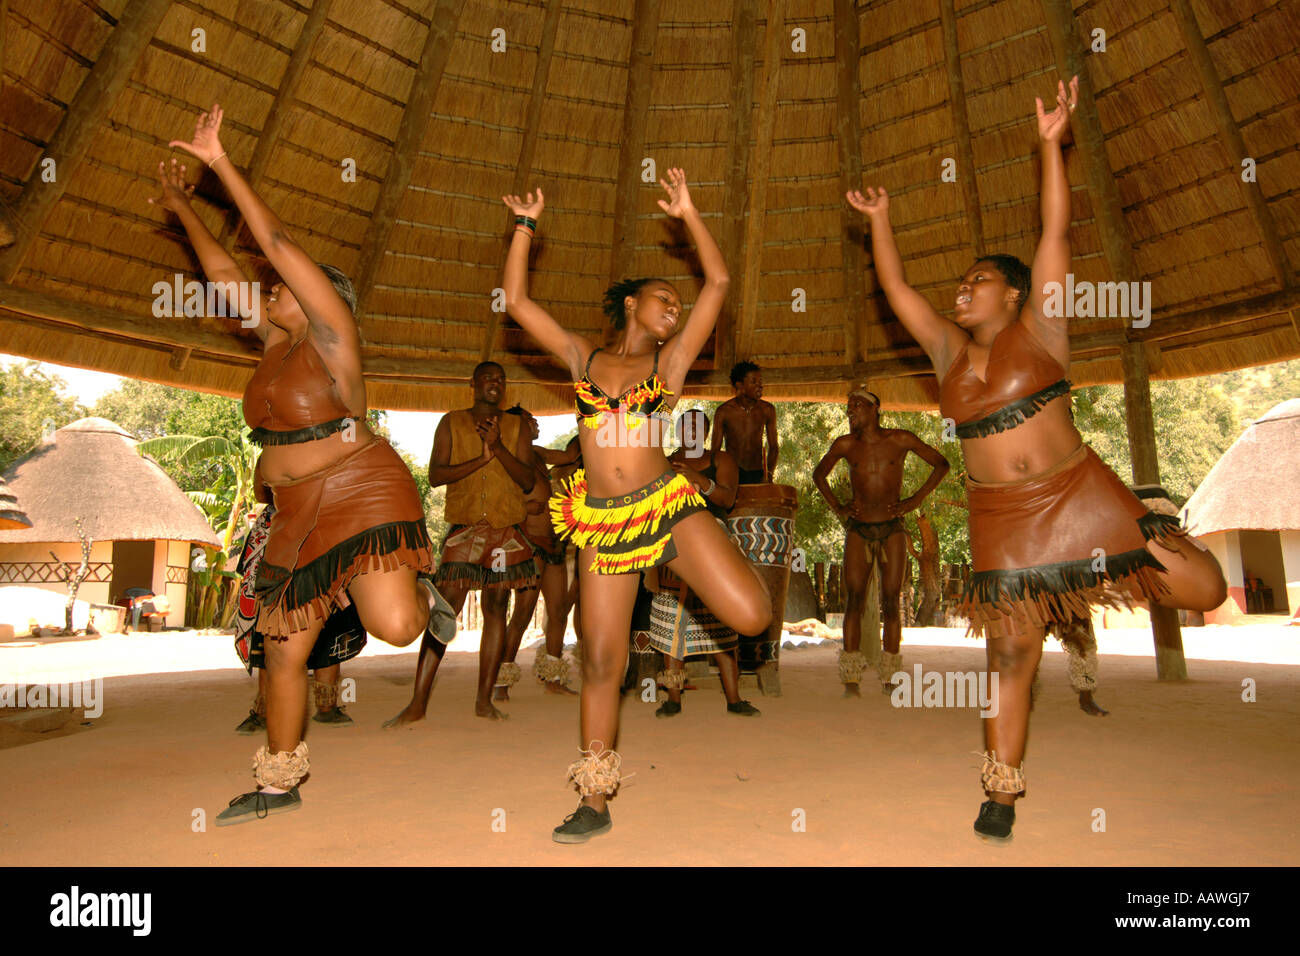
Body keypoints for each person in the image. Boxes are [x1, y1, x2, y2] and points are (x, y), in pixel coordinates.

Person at [848, 77, 1225, 845]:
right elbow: (895, 288)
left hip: (1080, 493)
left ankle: (1155, 529)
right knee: (1012, 652)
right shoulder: (947, 352)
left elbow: (1057, 229)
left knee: (1202, 584)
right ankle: (1000, 791)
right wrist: (882, 222)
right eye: (960, 282)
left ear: (1015, 296)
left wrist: (1053, 144)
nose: (962, 290)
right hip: (1003, 519)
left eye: (977, 281)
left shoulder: (1045, 329)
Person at [158, 104, 453, 826]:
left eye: (282, 286)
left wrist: (221, 164)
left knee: (396, 630)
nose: (269, 290)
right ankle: (277, 781)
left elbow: (275, 242)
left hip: (364, 494)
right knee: (282, 653)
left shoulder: (332, 339)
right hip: (293, 514)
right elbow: (225, 269)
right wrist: (181, 209)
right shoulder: (272, 345)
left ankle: (422, 598)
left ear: (322, 298)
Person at [502, 169, 771, 843]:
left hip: (668, 505)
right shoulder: (581, 358)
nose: (674, 307)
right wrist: (524, 227)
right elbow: (515, 300)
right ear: (630, 306)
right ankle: (593, 798)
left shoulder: (671, 367)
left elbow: (718, 284)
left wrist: (689, 216)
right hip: (600, 519)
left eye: (675, 304)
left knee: (753, 614)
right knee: (601, 659)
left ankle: (694, 571)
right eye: (661, 298)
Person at [385, 363, 537, 724]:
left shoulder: (515, 427)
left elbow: (528, 480)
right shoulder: (451, 422)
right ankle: (418, 703)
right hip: (466, 530)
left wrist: (498, 447)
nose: (494, 385)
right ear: (473, 384)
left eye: (500, 380)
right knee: (444, 612)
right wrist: (480, 459)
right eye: (487, 379)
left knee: (497, 608)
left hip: (505, 534)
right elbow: (436, 476)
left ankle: (484, 701)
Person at [812, 386, 949, 697]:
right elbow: (819, 475)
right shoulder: (845, 444)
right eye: (848, 406)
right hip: (858, 529)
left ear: (874, 410)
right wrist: (839, 507)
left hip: (893, 528)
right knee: (854, 601)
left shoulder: (899, 439)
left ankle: (889, 676)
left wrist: (914, 500)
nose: (850, 411)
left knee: (891, 601)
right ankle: (851, 678)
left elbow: (941, 464)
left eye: (857, 405)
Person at [234, 460, 365, 732]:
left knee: (331, 618)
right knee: (270, 623)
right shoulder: (280, 442)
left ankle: (326, 706)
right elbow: (262, 493)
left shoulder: (336, 445)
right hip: (280, 530)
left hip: (325, 527)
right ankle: (265, 710)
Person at [649, 409, 759, 718]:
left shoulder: (721, 460)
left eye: (698, 426)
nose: (691, 430)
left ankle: (734, 698)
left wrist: (699, 480)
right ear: (679, 431)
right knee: (672, 616)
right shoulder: (667, 462)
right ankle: (673, 698)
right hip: (676, 539)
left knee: (723, 614)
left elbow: (726, 499)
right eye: (686, 425)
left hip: (713, 538)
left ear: (707, 433)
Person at [494, 406, 581, 700]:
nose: (536, 423)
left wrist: (593, 422)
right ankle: (500, 681)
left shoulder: (540, 454)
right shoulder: (506, 457)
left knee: (558, 612)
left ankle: (553, 678)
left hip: (552, 545)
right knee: (522, 614)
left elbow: (570, 456)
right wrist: (521, 509)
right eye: (530, 420)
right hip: (527, 543)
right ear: (516, 426)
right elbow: (495, 500)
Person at [712, 361, 778, 484]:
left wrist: (768, 473)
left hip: (758, 474)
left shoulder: (768, 410)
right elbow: (715, 451)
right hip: (731, 473)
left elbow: (773, 447)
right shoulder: (723, 412)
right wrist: (717, 475)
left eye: (760, 382)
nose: (760, 386)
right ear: (740, 386)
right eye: (754, 382)